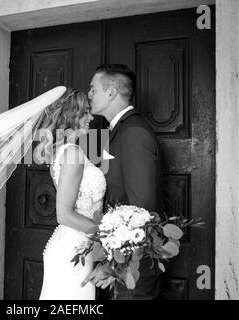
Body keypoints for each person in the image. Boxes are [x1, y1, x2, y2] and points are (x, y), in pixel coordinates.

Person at [82, 64, 163, 300]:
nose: (89, 95)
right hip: (122, 264)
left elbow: (142, 211)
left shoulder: (133, 133)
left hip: (134, 270)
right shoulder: (120, 130)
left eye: (93, 89)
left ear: (111, 93)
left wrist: (113, 265)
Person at [37, 88, 107, 300]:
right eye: (85, 112)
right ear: (70, 115)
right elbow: (64, 214)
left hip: (76, 247)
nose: (91, 117)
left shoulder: (63, 152)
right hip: (72, 253)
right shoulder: (72, 154)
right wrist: (108, 235)